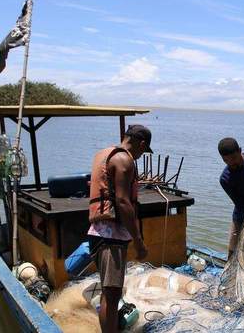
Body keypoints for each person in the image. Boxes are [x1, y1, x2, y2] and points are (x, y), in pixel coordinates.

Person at [87, 125, 151, 333]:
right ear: (142, 144)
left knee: (109, 293)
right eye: (143, 151)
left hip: (97, 232)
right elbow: (123, 202)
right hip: (111, 237)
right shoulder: (124, 160)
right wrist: (139, 242)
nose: (141, 155)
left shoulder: (103, 154)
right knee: (112, 296)